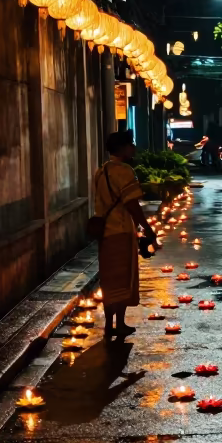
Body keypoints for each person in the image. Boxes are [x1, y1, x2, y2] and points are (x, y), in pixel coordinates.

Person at [94, 130, 158, 339]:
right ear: (121, 148)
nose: (134, 148)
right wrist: (147, 228)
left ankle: (109, 325)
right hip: (121, 231)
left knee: (109, 280)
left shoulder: (101, 171)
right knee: (123, 279)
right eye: (130, 144)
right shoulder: (124, 171)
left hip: (105, 233)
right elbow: (132, 204)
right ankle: (119, 323)